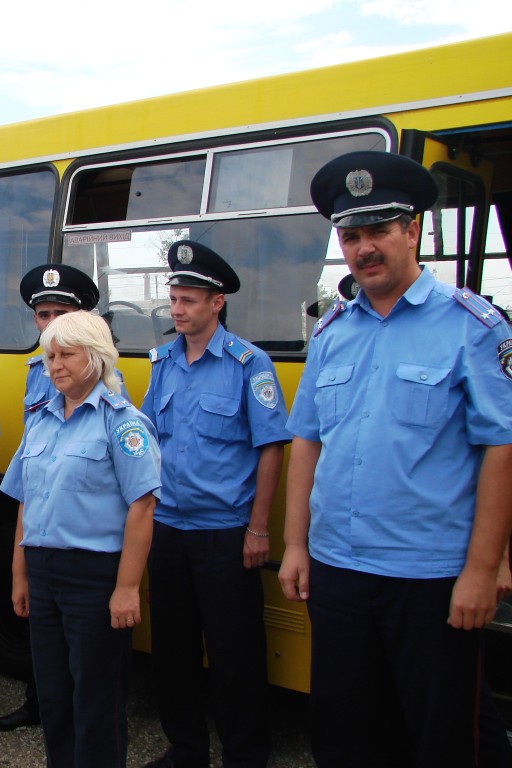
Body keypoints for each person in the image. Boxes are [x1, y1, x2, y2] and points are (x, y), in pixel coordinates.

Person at [279, 150, 512, 767]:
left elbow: (501, 449)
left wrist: (484, 570)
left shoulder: (474, 327)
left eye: (378, 231)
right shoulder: (332, 334)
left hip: (430, 577)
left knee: (445, 737)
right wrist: (296, 545)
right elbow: (307, 441)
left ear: (413, 231)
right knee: (346, 732)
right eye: (350, 236)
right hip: (339, 570)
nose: (363, 249)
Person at [140, 241, 290, 768]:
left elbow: (270, 447)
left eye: (188, 300)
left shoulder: (250, 364)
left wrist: (258, 529)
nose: (177, 309)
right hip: (168, 528)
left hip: (225, 532)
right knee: (173, 651)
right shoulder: (162, 363)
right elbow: (148, 440)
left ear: (216, 302)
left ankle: (245, 755)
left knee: (235, 653)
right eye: (173, 298)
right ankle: (185, 749)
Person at [0, 310, 161, 768]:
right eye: (49, 356)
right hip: (44, 572)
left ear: (96, 356)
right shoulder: (42, 420)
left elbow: (143, 507)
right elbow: (25, 502)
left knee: (96, 700)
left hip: (95, 578)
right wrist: (20, 574)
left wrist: (127, 588)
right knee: (53, 694)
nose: (54, 365)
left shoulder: (122, 422)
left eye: (66, 354)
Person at [0, 262, 110, 732]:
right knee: (41, 623)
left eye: (61, 312)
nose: (50, 323)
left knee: (84, 643)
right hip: (39, 513)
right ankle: (39, 704)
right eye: (43, 314)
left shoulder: (95, 378)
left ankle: (82, 721)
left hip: (81, 529)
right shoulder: (36, 370)